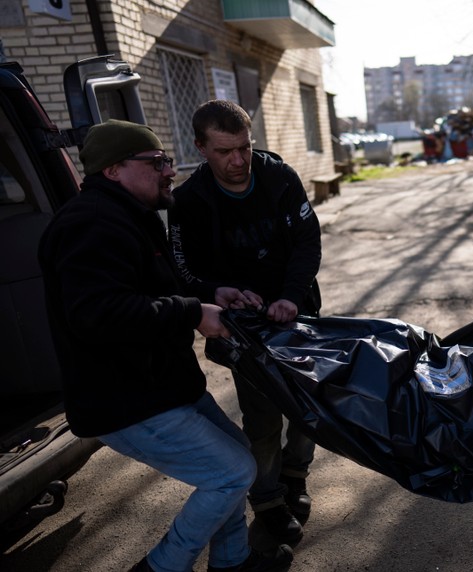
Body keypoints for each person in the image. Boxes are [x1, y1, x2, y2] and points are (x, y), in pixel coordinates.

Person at [37, 119, 293, 572]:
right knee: (231, 473)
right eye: (156, 162)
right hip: (126, 400)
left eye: (167, 161)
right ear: (114, 170)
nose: (169, 171)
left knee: (238, 461)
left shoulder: (127, 215)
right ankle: (162, 566)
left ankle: (232, 562)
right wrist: (193, 314)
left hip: (165, 386)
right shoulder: (90, 224)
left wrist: (212, 295)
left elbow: (155, 290)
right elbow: (99, 315)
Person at [168, 100, 322, 547]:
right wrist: (218, 291)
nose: (237, 161)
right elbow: (183, 269)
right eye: (223, 151)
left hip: (298, 313)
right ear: (200, 147)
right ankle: (269, 500)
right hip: (243, 327)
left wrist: (291, 296)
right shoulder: (189, 200)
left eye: (244, 147)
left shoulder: (280, 178)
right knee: (262, 417)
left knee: (309, 409)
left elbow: (307, 243)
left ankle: (296, 476)